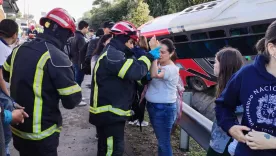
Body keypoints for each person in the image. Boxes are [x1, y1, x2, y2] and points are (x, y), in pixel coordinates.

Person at [2, 8, 82, 156]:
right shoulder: (56, 56)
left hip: (18, 129)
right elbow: (71, 101)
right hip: (42, 135)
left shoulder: (19, 49)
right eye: (69, 35)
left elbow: (6, 75)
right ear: (61, 32)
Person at [89, 21, 160, 156]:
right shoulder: (113, 54)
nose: (133, 47)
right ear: (126, 40)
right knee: (112, 151)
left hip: (110, 114)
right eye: (132, 43)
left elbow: (133, 77)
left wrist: (146, 76)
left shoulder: (116, 53)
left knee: (109, 149)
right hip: (109, 114)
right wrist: (150, 55)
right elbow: (134, 71)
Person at [215, 20, 276, 156]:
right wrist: (230, 127)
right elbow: (222, 105)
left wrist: (273, 143)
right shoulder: (246, 75)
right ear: (272, 48)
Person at [207, 47, 244, 156]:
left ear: (224, 65)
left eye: (215, 62)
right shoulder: (227, 87)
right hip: (219, 143)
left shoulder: (235, 91)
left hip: (226, 146)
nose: (213, 64)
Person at [145, 38, 178, 156]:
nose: (159, 54)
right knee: (161, 141)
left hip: (163, 109)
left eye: (163, 52)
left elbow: (154, 75)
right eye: (158, 51)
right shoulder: (159, 64)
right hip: (155, 107)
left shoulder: (171, 68)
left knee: (164, 142)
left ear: (171, 53)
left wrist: (153, 53)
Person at [70, 20, 89, 87]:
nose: (87, 30)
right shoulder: (81, 38)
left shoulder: (75, 36)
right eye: (87, 28)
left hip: (74, 61)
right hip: (79, 63)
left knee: (75, 80)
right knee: (78, 80)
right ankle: (76, 96)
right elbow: (83, 51)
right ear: (84, 28)